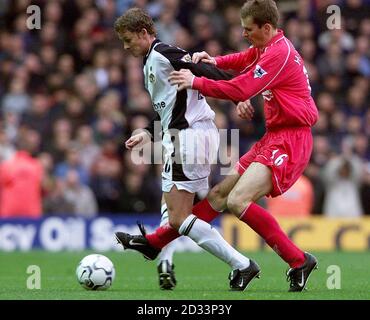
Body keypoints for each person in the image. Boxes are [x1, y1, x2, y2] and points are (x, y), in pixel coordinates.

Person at [121, 0, 319, 292]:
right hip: (273, 136)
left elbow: (241, 88)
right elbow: (243, 58)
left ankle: (298, 260)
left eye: (248, 29)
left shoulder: (279, 53)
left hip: (291, 139)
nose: (244, 34)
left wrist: (196, 80)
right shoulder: (267, 47)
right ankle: (155, 243)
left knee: (238, 200)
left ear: (266, 27)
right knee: (218, 195)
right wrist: (213, 61)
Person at [114, 7, 260, 291]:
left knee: (180, 216)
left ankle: (242, 264)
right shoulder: (150, 60)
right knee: (172, 205)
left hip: (188, 138)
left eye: (128, 40)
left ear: (144, 33)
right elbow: (168, 107)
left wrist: (237, 95)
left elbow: (203, 69)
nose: (125, 46)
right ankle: (160, 255)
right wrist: (147, 132)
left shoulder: (163, 54)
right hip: (186, 136)